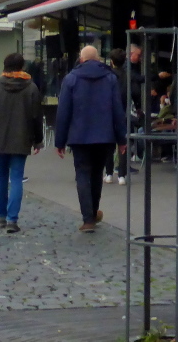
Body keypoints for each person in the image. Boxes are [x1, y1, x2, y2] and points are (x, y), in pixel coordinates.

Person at [55, 46, 126, 233]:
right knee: (96, 175)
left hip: (79, 136)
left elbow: (63, 112)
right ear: (98, 59)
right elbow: (118, 110)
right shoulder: (110, 78)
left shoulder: (71, 79)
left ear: (81, 59)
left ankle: (88, 219)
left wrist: (59, 141)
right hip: (105, 136)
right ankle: (93, 213)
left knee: (82, 175)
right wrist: (122, 138)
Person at [0, 53, 43, 233]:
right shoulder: (31, 88)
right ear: (22, 67)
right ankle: (12, 219)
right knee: (16, 178)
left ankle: (1, 214)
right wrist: (38, 140)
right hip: (21, 139)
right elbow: (36, 116)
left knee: (1, 177)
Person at [106, 49, 133, 185]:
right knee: (123, 144)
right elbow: (134, 92)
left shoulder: (107, 75)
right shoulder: (128, 75)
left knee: (109, 144)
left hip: (109, 113)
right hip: (123, 112)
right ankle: (122, 175)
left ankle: (109, 174)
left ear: (111, 61)